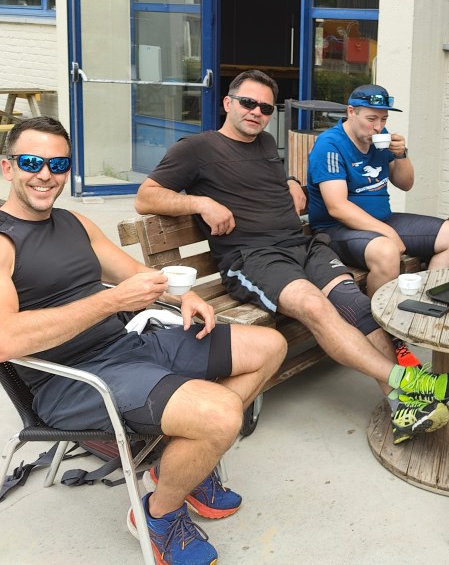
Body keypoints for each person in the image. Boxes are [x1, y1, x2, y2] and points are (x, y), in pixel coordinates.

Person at [0, 117, 288, 565]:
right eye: (32, 162)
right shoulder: (4, 242)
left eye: (57, 164)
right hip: (74, 381)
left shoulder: (74, 222)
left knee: (269, 347)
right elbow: (5, 340)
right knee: (220, 415)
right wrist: (109, 302)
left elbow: (133, 273)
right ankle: (159, 513)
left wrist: (183, 295)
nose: (45, 175)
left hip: (128, 347)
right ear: (7, 167)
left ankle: (182, 465)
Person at [135, 70, 449, 445]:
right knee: (315, 305)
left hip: (300, 246)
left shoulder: (265, 143)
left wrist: (289, 182)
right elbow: (146, 197)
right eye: (248, 103)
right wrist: (201, 203)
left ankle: (400, 405)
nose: (256, 112)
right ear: (227, 103)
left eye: (266, 108)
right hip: (252, 257)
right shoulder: (196, 148)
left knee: (355, 304)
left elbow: (272, 180)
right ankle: (406, 380)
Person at [306, 83, 449, 296]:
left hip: (382, 221)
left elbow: (405, 184)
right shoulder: (330, 144)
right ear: (351, 112)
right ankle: (377, 315)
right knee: (387, 252)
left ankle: (426, 301)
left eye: (384, 119)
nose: (378, 127)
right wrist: (388, 232)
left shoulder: (380, 138)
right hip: (336, 230)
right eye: (371, 119)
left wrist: (401, 155)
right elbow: (337, 207)